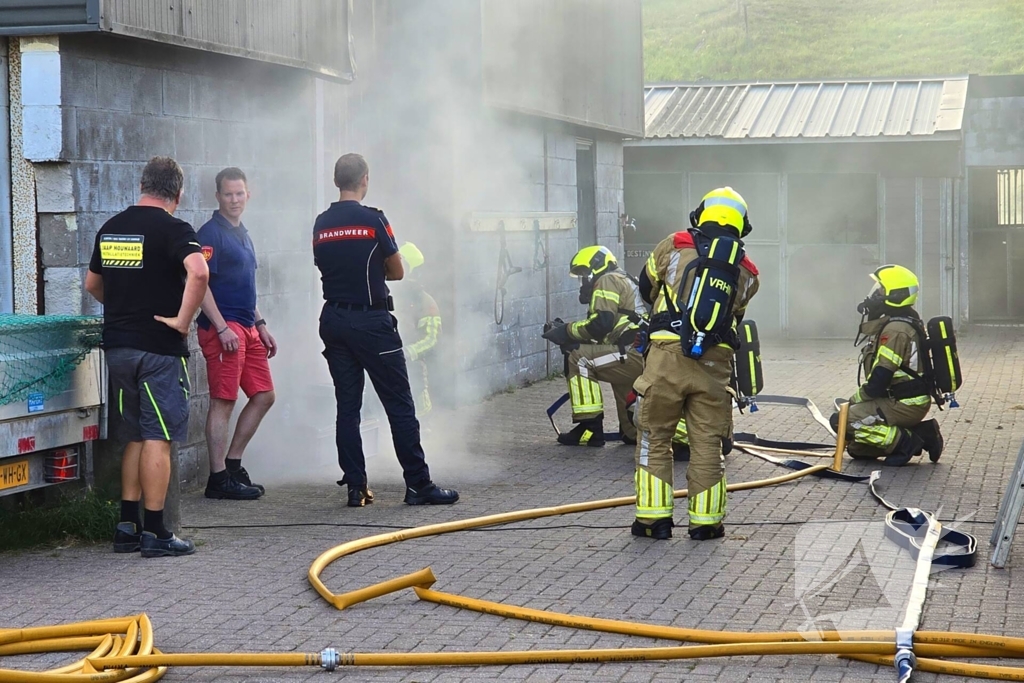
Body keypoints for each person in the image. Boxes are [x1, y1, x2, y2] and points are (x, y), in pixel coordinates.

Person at [313, 153, 458, 508]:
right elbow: (398, 271)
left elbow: (324, 265)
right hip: (372, 323)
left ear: (336, 181)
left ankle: (356, 486)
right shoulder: (374, 219)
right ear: (365, 179)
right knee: (399, 404)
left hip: (333, 320)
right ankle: (418, 485)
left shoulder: (321, 223)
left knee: (348, 406)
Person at [84, 156, 208, 558]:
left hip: (118, 348)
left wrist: (125, 308)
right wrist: (182, 321)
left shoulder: (111, 227)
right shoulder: (174, 229)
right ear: (178, 193)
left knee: (135, 435)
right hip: (158, 350)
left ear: (142, 185)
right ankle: (156, 532)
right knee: (159, 436)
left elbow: (92, 284)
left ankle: (127, 527)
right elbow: (199, 272)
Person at [632, 187, 760, 541]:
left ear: (700, 215)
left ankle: (653, 520)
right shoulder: (749, 272)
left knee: (655, 437)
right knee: (707, 444)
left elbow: (645, 287)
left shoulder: (674, 244)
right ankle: (706, 524)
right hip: (715, 365)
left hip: (666, 356)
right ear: (742, 225)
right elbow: (735, 315)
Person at [196, 168, 276, 500]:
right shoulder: (210, 234)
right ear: (218, 196)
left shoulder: (243, 233)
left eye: (239, 193)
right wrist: (221, 327)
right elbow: (199, 284)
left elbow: (244, 287)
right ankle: (217, 479)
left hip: (248, 327)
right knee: (224, 401)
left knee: (264, 395)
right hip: (223, 330)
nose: (234, 200)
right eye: (228, 194)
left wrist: (261, 324)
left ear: (248, 195)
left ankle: (232, 464)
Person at [831, 265, 944, 467]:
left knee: (842, 421)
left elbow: (879, 380)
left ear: (896, 295)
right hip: (900, 399)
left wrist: (853, 401)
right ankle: (924, 434)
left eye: (881, 290)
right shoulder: (900, 321)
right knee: (857, 449)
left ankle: (906, 442)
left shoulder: (896, 330)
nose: (875, 296)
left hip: (904, 404)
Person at [542, 246, 646, 447]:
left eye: (585, 274)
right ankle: (633, 430)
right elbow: (607, 332)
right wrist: (572, 333)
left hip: (631, 353)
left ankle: (589, 428)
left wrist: (566, 331)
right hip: (638, 353)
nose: (584, 281)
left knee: (578, 357)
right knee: (632, 433)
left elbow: (600, 324)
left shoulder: (607, 280)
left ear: (597, 266)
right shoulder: (623, 278)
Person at [394, 242, 441, 416]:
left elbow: (432, 339)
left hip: (412, 366)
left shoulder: (425, 302)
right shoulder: (388, 294)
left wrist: (407, 352)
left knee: (418, 406)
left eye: (400, 264)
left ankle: (424, 426)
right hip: (388, 363)